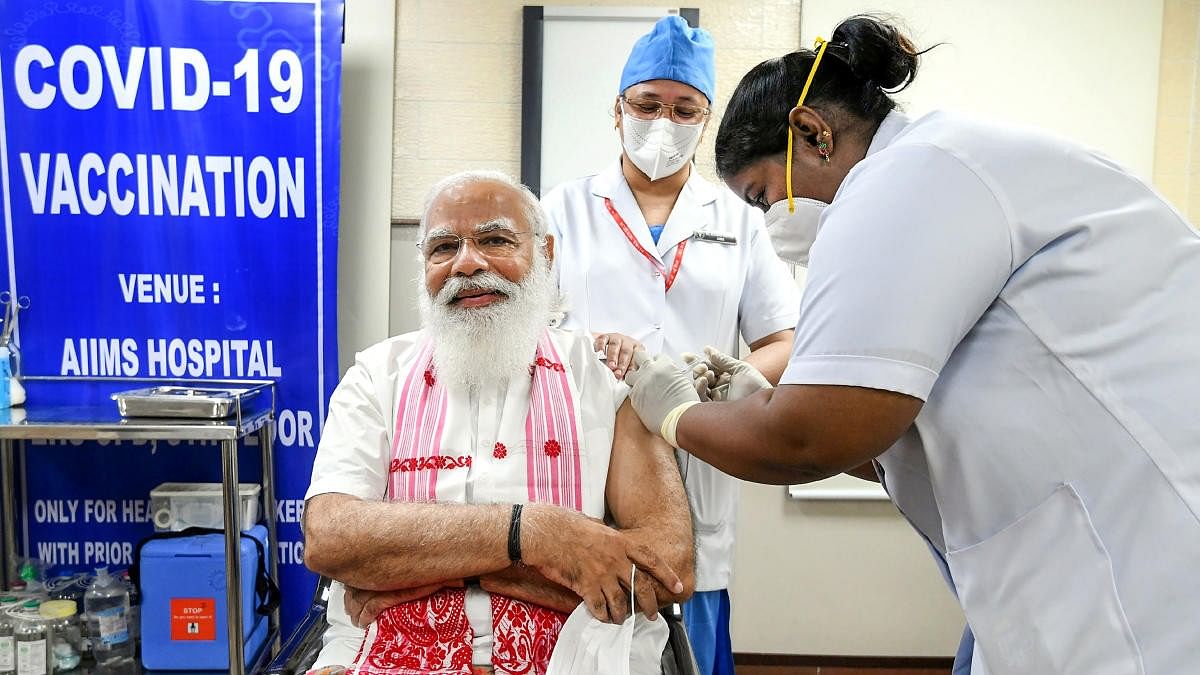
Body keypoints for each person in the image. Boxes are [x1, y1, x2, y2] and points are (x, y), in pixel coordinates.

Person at [623, 13, 1200, 675]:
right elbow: (882, 436)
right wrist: (757, 401)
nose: (769, 223)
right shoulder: (934, 172)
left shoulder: (908, 178)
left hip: (1144, 576)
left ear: (812, 133)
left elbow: (810, 438)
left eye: (762, 196)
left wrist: (676, 413)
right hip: (1069, 562)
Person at [302, 170, 695, 675]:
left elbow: (667, 568)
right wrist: (537, 534)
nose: (467, 264)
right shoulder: (377, 376)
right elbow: (331, 539)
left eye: (494, 239)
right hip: (386, 652)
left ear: (546, 254)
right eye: (443, 248)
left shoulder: (607, 379)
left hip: (576, 656)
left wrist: (420, 568)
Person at [540, 16, 800, 674]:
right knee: (581, 628)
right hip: (586, 451)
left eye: (684, 109)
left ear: (705, 119)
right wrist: (583, 350)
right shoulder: (561, 210)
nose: (664, 122)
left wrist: (725, 373)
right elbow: (528, 332)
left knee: (689, 623)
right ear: (617, 110)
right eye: (647, 104)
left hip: (699, 451)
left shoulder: (740, 220)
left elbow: (783, 336)